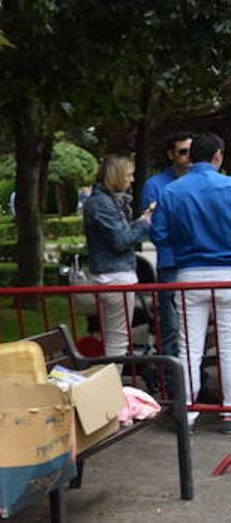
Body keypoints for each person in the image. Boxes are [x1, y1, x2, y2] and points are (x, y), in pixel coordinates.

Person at [151, 132, 231, 433]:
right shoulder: (229, 187)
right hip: (228, 275)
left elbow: (159, 235)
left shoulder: (172, 191)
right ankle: (228, 413)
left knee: (188, 346)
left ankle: (188, 413)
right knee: (229, 346)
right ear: (218, 156)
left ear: (190, 156)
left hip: (189, 275)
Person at [83, 155, 153, 357]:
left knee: (113, 338)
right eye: (129, 175)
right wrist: (143, 224)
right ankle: (111, 386)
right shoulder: (102, 204)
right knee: (118, 341)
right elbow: (120, 242)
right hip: (114, 278)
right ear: (117, 176)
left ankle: (108, 383)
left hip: (111, 277)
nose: (132, 179)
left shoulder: (104, 202)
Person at [140, 132, 194, 390]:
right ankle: (174, 388)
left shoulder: (200, 180)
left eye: (192, 152)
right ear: (171, 154)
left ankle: (196, 383)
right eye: (183, 152)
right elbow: (156, 230)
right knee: (172, 327)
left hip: (196, 265)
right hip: (172, 264)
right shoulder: (156, 185)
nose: (188, 157)